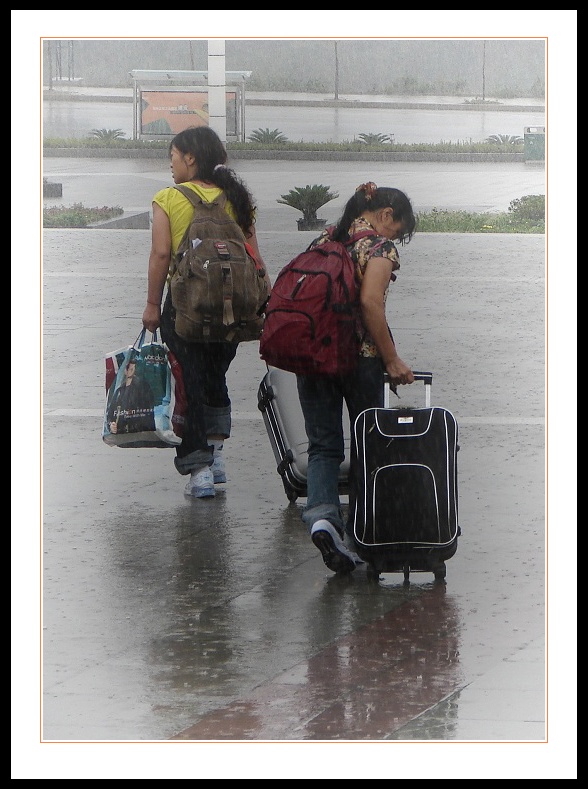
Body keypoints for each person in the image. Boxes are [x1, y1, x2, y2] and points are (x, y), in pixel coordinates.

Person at [142, 126, 271, 499]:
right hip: (232, 308)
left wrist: (152, 304)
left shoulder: (168, 198)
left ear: (190, 158)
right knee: (215, 377)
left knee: (189, 383)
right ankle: (216, 458)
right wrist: (268, 301)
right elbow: (255, 257)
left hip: (186, 307)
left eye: (173, 157)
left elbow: (161, 256)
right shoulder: (236, 198)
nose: (171, 165)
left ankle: (199, 469)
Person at [296, 181, 416, 573]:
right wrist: (393, 359)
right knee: (368, 445)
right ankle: (364, 531)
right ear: (385, 215)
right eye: (396, 228)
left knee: (323, 447)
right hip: (358, 360)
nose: (393, 236)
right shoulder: (378, 248)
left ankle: (322, 520)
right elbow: (369, 303)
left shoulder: (323, 240)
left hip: (313, 357)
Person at [107, 357, 156, 434]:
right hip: (122, 432)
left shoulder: (142, 388)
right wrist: (111, 425)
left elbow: (149, 408)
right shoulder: (119, 391)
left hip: (138, 431)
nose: (133, 372)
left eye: (134, 369)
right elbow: (110, 413)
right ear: (125, 371)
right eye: (130, 369)